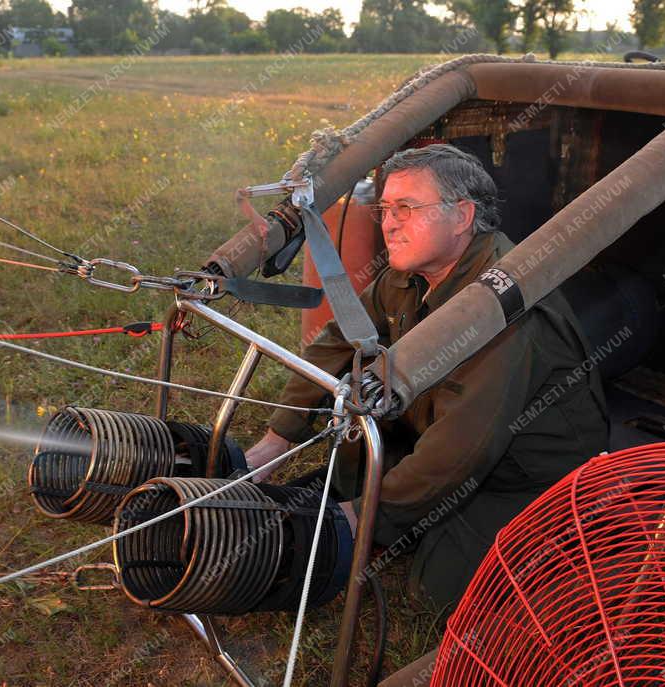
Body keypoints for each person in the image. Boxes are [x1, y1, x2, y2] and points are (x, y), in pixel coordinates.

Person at [245, 144, 610, 609]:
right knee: (344, 468)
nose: (389, 224)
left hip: (522, 474)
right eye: (385, 209)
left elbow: (463, 449)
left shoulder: (502, 308)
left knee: (438, 590)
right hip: (434, 425)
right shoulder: (412, 270)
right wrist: (277, 439)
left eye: (407, 208)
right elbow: (339, 343)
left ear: (462, 216)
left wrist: (359, 520)